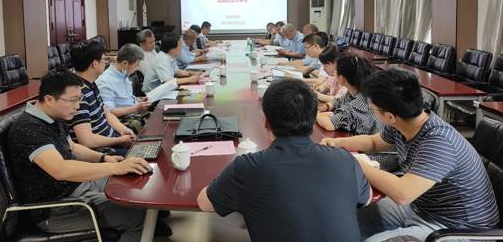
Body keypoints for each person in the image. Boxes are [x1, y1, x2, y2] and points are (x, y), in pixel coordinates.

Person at [322, 69, 499, 242]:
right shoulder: (405, 122)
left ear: (390, 116)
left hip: (458, 228)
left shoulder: (439, 141)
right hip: (422, 207)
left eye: (373, 108)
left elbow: (402, 193)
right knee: (347, 220)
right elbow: (374, 142)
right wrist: (338, 143)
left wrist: (355, 162)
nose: (372, 110)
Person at [196, 78, 372, 242]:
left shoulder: (248, 167)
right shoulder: (344, 159)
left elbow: (205, 203)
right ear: (313, 121)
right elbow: (366, 197)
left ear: (266, 122)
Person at [7, 70, 172, 241]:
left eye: (79, 99)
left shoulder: (54, 116)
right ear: (49, 99)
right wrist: (114, 167)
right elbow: (60, 170)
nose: (78, 106)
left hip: (77, 186)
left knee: (135, 184)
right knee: (137, 215)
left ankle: (150, 224)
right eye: (73, 100)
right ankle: (142, 226)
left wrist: (103, 158)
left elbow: (73, 147)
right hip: (57, 208)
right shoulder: (28, 129)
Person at [68, 40, 135, 155]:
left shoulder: (91, 84)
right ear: (95, 63)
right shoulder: (78, 94)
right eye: (104, 59)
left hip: (111, 140)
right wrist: (119, 140)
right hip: (99, 151)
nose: (106, 62)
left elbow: (106, 113)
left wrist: (123, 130)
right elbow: (87, 140)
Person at [316, 54, 382, 136]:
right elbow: (339, 100)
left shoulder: (359, 103)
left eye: (336, 71)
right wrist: (327, 106)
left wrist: (316, 113)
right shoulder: (357, 91)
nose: (334, 73)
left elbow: (329, 124)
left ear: (342, 78)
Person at [95, 44, 152, 132]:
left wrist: (136, 100)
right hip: (123, 120)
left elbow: (123, 98)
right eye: (136, 65)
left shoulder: (123, 73)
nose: (137, 69)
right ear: (125, 63)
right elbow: (110, 112)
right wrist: (136, 108)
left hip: (134, 113)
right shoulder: (105, 81)